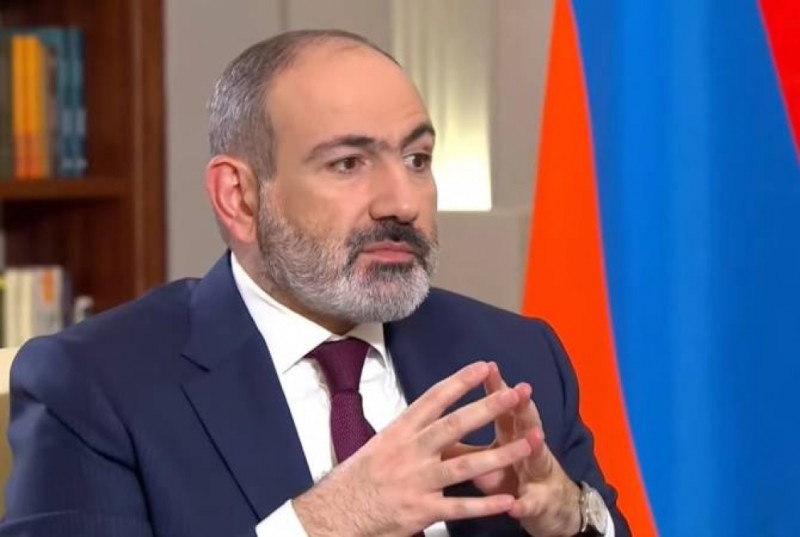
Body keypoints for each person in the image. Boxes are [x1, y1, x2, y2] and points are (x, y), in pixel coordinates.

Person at [0, 30, 630, 537]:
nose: (401, 202)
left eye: (417, 159)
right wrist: (323, 523)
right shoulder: (96, 385)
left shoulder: (513, 355)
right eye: (348, 163)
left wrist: (570, 515)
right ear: (239, 197)